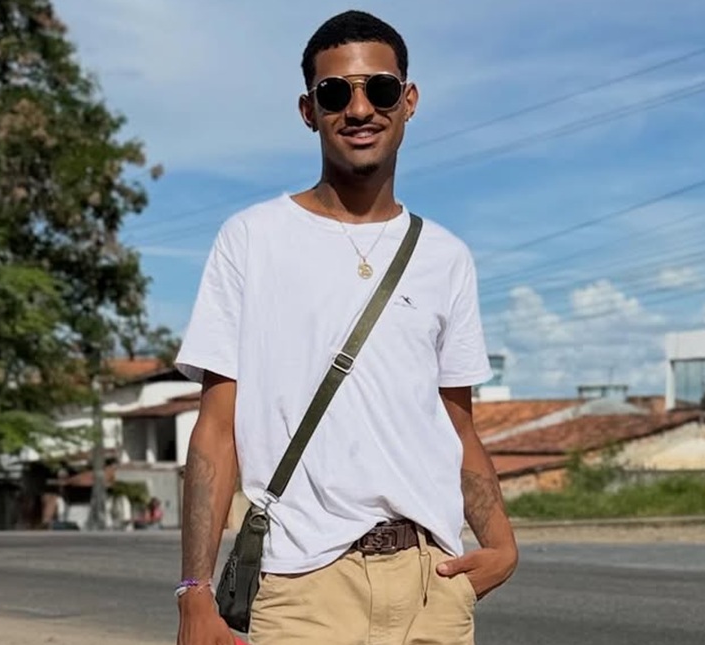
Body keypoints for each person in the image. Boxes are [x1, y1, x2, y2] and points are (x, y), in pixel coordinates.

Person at [173, 10, 518, 644]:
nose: (359, 108)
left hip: (431, 586)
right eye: (335, 93)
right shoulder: (252, 240)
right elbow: (216, 429)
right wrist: (195, 590)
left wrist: (501, 544)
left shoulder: (446, 257)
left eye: (379, 89)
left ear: (408, 101)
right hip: (304, 590)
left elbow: (456, 423)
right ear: (309, 111)